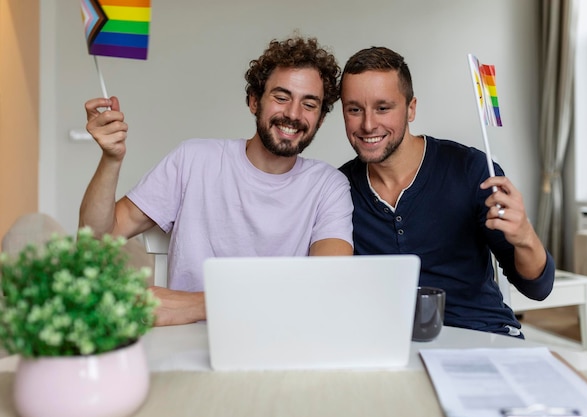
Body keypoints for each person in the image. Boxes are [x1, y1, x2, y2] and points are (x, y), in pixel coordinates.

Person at [79, 36, 354, 326]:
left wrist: (200, 305)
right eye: (281, 97)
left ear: (320, 119)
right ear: (253, 101)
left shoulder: (329, 186)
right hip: (188, 344)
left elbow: (328, 286)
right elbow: (95, 239)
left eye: (309, 104)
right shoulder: (193, 159)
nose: (293, 114)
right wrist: (111, 159)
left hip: (280, 342)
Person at [338, 46, 555, 338]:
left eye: (383, 107)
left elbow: (538, 288)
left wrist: (525, 236)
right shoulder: (338, 189)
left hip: (481, 335)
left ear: (411, 108)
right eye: (354, 109)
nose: (368, 124)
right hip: (391, 344)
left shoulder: (473, 170)